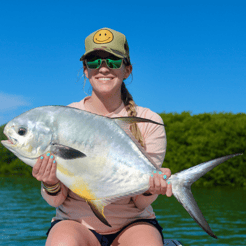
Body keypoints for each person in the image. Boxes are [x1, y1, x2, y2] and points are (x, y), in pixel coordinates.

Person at [32, 27, 173, 246]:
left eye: (114, 61)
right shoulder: (65, 117)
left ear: (127, 70)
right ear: (85, 70)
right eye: (94, 61)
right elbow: (56, 200)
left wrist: (148, 188)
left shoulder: (149, 120)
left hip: (134, 223)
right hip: (75, 222)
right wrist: (50, 183)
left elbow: (139, 203)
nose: (103, 68)